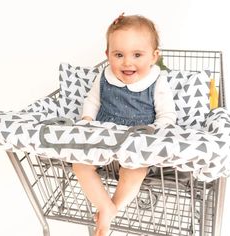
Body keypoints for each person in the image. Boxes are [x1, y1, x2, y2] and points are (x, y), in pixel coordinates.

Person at [72, 13, 176, 236]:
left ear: (154, 56)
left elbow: (167, 114)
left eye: (137, 54)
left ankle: (112, 209)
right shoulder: (104, 76)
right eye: (119, 54)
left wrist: (156, 132)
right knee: (79, 165)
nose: (127, 62)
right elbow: (92, 101)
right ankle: (105, 206)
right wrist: (87, 120)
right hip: (103, 134)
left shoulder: (156, 81)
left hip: (137, 139)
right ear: (107, 54)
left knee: (135, 170)